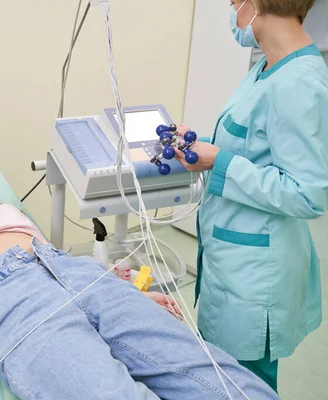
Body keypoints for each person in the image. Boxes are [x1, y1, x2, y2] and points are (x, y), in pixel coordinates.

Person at [0, 143, 279, 400]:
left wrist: (126, 289)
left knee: (216, 375)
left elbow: (53, 257)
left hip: (77, 276)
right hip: (13, 296)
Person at [173, 0, 328, 393]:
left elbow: (308, 193)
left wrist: (219, 161)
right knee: (225, 380)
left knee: (244, 387)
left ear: (256, 4)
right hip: (236, 261)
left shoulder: (300, 83)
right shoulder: (266, 68)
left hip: (257, 277)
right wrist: (202, 147)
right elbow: (253, 147)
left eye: (233, 2)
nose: (232, 12)